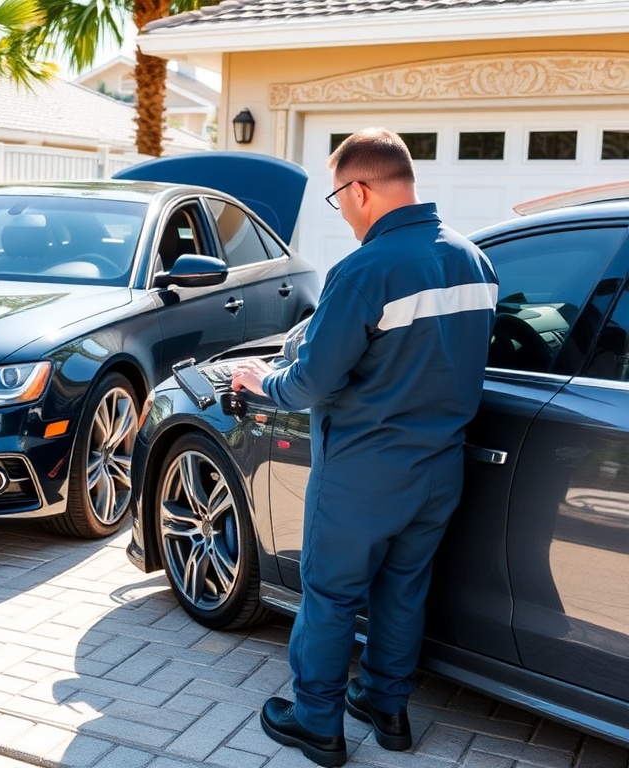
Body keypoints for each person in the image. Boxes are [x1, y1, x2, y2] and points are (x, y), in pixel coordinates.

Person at [231, 127, 497, 767]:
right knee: (403, 591)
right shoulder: (474, 261)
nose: (343, 212)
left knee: (330, 595)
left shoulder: (365, 270)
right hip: (440, 470)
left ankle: (317, 723)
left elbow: (312, 381)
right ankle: (388, 709)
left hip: (363, 474)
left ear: (360, 188)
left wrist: (259, 381)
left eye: (337, 199)